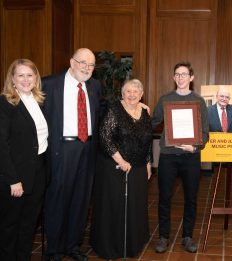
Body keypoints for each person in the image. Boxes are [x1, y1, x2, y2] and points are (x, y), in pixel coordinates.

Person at [42, 48, 102, 261]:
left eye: (91, 65)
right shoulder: (49, 84)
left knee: (81, 200)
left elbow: (101, 115)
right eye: (83, 62)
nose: (87, 68)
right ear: (71, 62)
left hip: (87, 149)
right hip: (62, 150)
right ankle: (54, 250)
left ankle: (72, 246)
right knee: (58, 200)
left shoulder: (95, 86)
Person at [90, 79, 152, 259]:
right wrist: (121, 160)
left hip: (139, 167)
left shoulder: (145, 111)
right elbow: (105, 137)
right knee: (115, 206)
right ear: (122, 94)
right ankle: (112, 247)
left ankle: (132, 245)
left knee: (135, 206)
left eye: (136, 92)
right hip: (115, 166)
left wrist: (148, 163)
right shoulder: (114, 109)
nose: (131, 95)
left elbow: (147, 141)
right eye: (128, 91)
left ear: (141, 94)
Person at [152, 62, 209, 253]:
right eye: (177, 74)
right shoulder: (165, 99)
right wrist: (136, 114)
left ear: (191, 78)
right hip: (168, 155)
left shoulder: (199, 101)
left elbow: (205, 133)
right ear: (174, 77)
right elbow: (152, 123)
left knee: (191, 198)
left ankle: (187, 236)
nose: (181, 77)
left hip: (190, 157)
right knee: (164, 198)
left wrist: (195, 146)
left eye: (184, 74)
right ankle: (163, 237)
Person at [0, 59, 48, 261]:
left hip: (38, 172)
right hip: (15, 176)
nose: (26, 79)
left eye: (30, 75)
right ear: (12, 78)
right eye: (21, 75)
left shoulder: (38, 101)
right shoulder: (5, 103)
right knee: (10, 227)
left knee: (28, 225)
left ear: (36, 77)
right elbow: (2, 145)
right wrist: (13, 179)